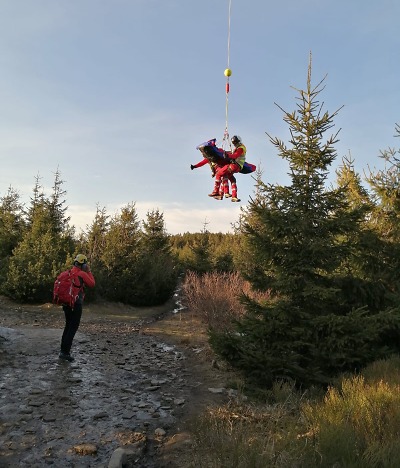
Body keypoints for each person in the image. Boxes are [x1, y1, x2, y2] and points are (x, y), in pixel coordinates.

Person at [59, 254, 95, 362]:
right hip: (76, 304)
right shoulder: (82, 274)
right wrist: (89, 271)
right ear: (83, 264)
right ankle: (65, 353)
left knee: (68, 326)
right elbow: (92, 284)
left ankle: (63, 351)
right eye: (85, 263)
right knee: (73, 328)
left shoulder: (69, 273)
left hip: (66, 303)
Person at [208, 135, 246, 202]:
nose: (234, 144)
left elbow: (235, 155)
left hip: (234, 166)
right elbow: (235, 156)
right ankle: (233, 196)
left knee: (218, 174)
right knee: (229, 178)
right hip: (237, 167)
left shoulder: (240, 148)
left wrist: (228, 155)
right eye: (234, 143)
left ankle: (216, 191)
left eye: (235, 143)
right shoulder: (239, 148)